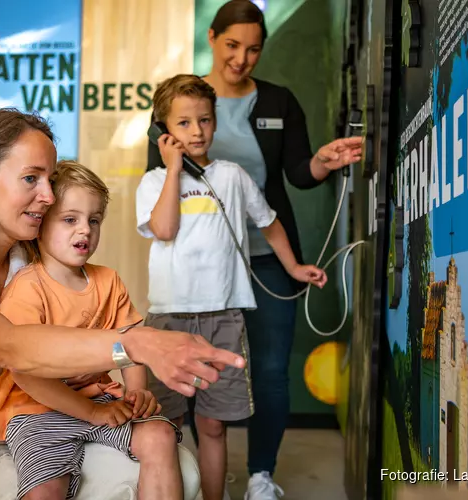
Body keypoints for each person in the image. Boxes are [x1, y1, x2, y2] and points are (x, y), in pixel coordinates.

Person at [0, 107, 247, 500]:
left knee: (180, 465)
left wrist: (111, 379)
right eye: (31, 178)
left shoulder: (29, 262)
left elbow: (69, 341)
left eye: (50, 180)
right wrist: (133, 345)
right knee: (124, 483)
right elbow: (10, 345)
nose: (48, 196)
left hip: (46, 423)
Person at [145, 3, 363, 499]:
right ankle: (200, 474)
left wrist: (324, 162)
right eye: (232, 46)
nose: (242, 59)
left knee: (268, 371)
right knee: (197, 380)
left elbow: (299, 175)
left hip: (267, 261)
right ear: (213, 37)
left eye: (254, 49)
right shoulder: (179, 102)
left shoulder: (279, 102)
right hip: (202, 271)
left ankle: (262, 475)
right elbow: (157, 187)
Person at [136, 74, 328, 500]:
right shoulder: (153, 182)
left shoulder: (233, 176)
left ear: (215, 122)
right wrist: (172, 170)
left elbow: (269, 222)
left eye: (205, 120)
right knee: (165, 424)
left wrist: (294, 267)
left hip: (223, 315)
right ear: (164, 130)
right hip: (170, 317)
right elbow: (163, 228)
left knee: (213, 424)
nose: (197, 131)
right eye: (183, 123)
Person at [0, 159, 184, 499]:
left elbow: (131, 343)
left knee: (160, 435)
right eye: (70, 219)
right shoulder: (28, 287)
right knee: (46, 487)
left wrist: (137, 392)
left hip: (100, 398)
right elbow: (24, 372)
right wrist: (92, 412)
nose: (85, 230)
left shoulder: (108, 280)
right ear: (41, 225)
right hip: (36, 410)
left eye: (94, 220)